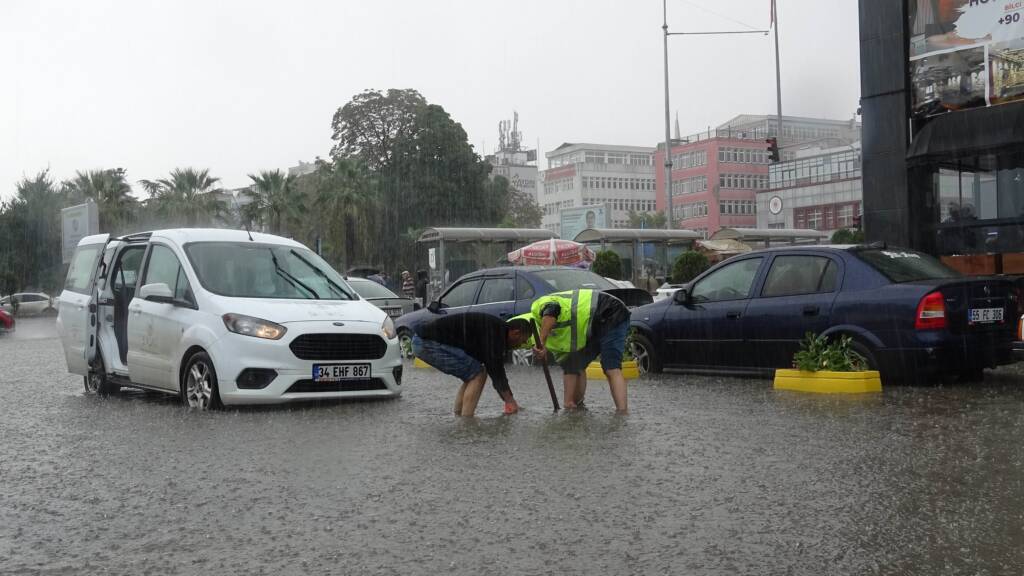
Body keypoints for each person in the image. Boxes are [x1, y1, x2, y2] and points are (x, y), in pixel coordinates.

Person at [529, 289, 630, 413]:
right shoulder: (552, 334)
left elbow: (552, 310)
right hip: (594, 322)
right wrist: (568, 404)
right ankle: (576, 406)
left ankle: (622, 413)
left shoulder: (538, 307)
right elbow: (570, 366)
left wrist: (542, 342)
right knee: (576, 363)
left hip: (610, 310)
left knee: (611, 367)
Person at [413, 312, 532, 417]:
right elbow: (496, 371)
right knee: (477, 374)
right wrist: (510, 401)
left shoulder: (497, 330)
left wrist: (508, 399)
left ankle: (459, 416)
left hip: (423, 340)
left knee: (472, 374)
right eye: (522, 341)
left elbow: (496, 368)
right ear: (515, 333)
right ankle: (467, 423)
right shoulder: (495, 335)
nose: (520, 345)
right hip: (427, 343)